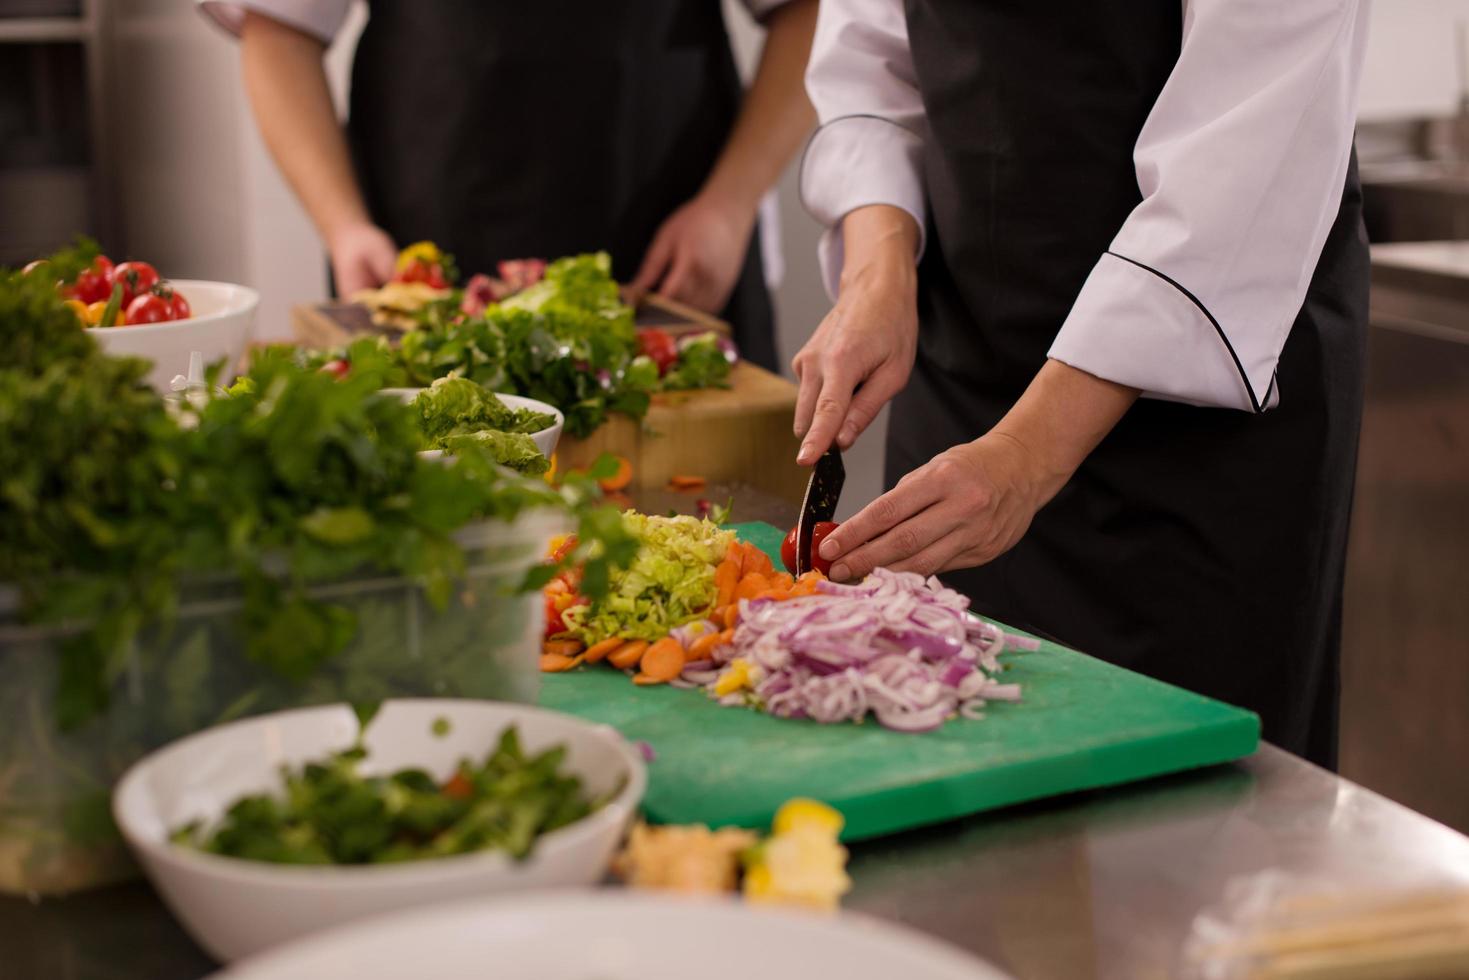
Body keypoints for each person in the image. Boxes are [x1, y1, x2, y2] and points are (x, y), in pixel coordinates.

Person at [792, 0, 1369, 766]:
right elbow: (868, 60)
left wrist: (1028, 456)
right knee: (937, 754)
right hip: (964, 355)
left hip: (1201, 421)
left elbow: (1242, 163)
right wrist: (876, 272)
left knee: (1179, 813)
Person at [198, 0, 820, 371]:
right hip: (426, 252)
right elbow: (278, 28)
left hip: (673, 256)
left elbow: (813, 10)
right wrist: (344, 227)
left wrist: (729, 205)